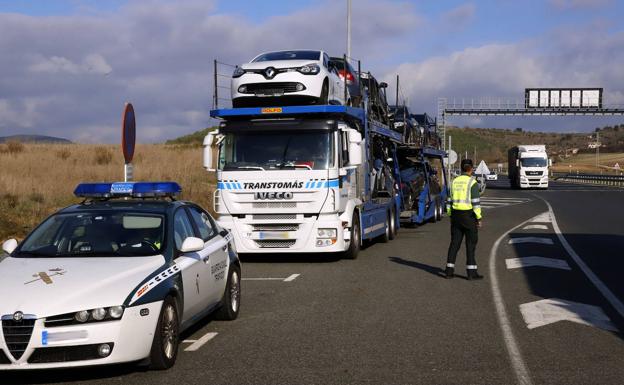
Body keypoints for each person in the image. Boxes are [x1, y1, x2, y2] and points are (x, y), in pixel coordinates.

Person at [444, 159, 483, 280]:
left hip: (455, 216)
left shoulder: (453, 182)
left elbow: (449, 201)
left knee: (454, 243)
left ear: (461, 168)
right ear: (471, 168)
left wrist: (450, 214)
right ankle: (471, 273)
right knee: (470, 245)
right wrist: (479, 218)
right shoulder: (472, 182)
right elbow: (476, 203)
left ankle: (449, 271)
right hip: (469, 217)